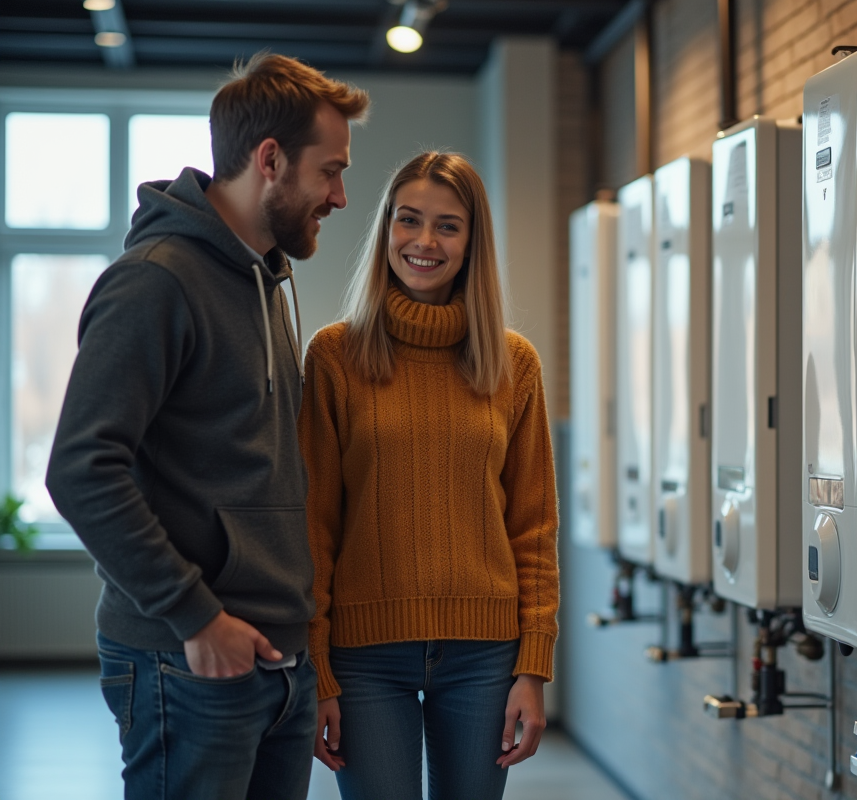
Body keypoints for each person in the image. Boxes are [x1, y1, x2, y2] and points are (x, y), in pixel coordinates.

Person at [45, 53, 369, 800]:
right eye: (329, 171)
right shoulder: (156, 280)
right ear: (269, 160)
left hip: (279, 663)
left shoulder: (268, 278)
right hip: (189, 663)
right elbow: (80, 469)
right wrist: (196, 619)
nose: (340, 196)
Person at [300, 151, 560, 800]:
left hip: (485, 656)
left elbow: (533, 529)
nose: (424, 241)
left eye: (448, 226)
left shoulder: (514, 364)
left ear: (472, 243)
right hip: (363, 657)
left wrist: (533, 667)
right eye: (409, 219)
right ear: (386, 227)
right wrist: (317, 669)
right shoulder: (334, 357)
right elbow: (312, 529)